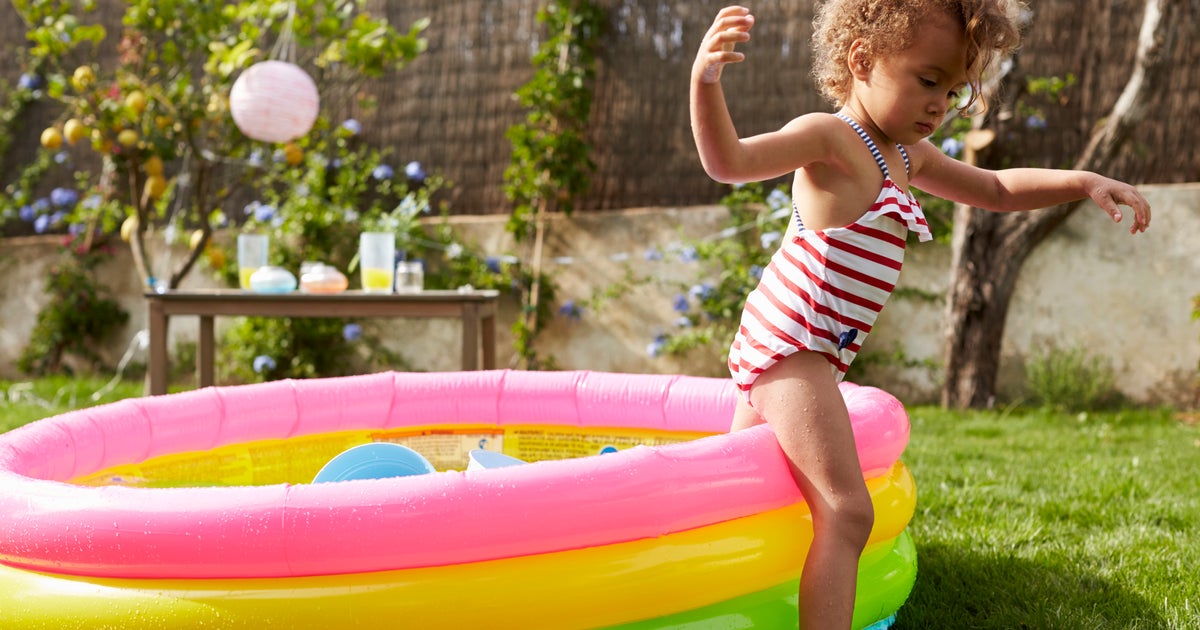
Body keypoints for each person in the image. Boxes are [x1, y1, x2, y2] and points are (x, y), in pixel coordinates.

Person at [690, 2, 1151, 628]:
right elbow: (729, 163)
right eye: (928, 81)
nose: (940, 105)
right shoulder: (830, 138)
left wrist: (1081, 181)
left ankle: (719, 609)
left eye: (953, 91)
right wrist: (705, 82)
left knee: (737, 494)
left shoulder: (908, 157)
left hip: (811, 352)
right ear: (861, 60)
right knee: (847, 512)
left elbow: (994, 189)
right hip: (791, 347)